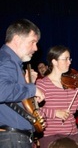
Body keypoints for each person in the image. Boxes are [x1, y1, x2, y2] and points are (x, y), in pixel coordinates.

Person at [0, 19, 45, 148]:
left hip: (13, 138)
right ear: (17, 39)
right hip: (11, 138)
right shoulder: (6, 60)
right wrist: (33, 89)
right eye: (33, 42)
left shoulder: (11, 62)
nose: (36, 48)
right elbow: (1, 91)